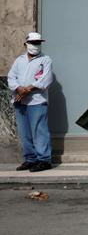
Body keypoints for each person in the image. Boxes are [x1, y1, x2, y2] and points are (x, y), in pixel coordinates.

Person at [8, 32, 54, 172]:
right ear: (25, 44)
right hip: (20, 102)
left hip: (37, 101)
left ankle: (44, 160)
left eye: (38, 43)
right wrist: (18, 88)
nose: (36, 46)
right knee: (24, 133)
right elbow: (11, 77)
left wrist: (26, 90)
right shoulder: (19, 60)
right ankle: (30, 159)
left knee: (39, 131)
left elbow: (46, 80)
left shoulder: (45, 60)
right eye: (33, 43)